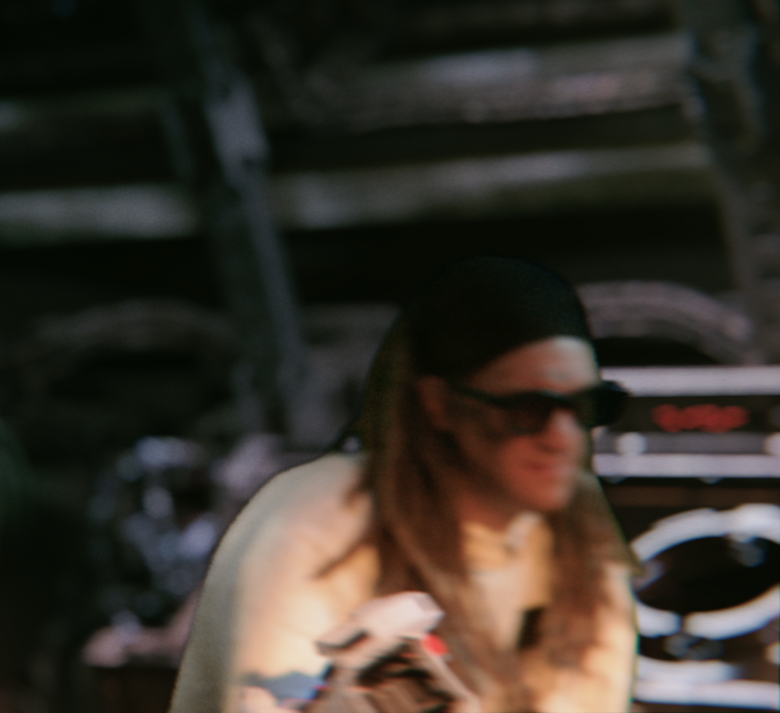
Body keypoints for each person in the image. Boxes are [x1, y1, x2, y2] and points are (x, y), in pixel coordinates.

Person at [169, 257, 639, 713]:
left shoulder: (582, 540)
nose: (562, 439)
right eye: (527, 411)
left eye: (588, 407)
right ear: (438, 403)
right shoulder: (312, 525)